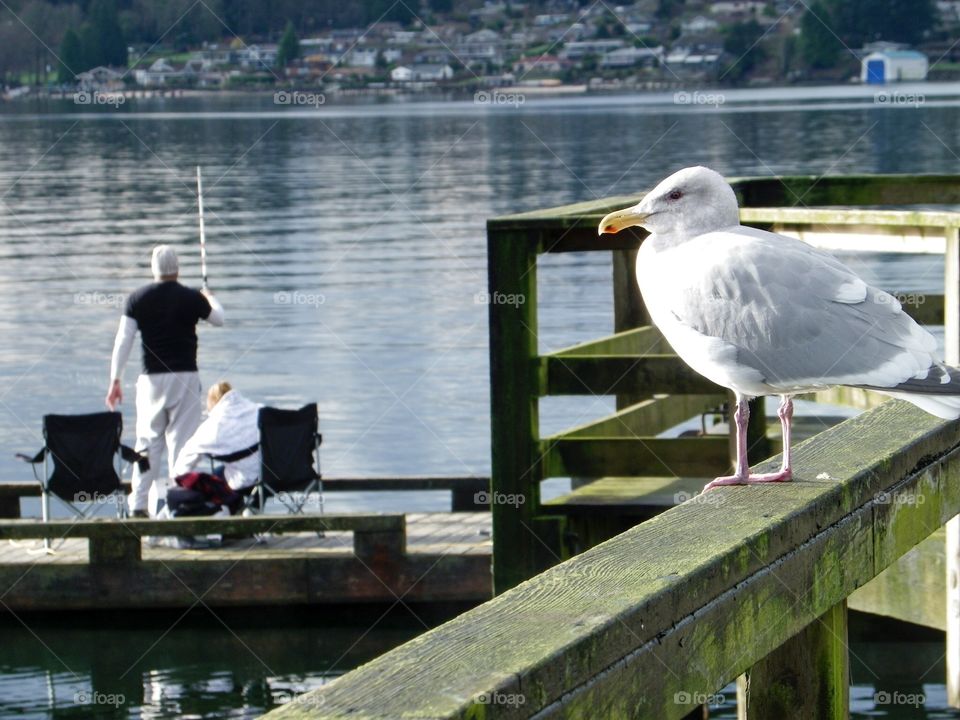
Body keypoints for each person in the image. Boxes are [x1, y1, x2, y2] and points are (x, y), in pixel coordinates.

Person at [106, 245, 224, 517]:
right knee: (183, 445)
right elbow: (219, 320)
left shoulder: (137, 298)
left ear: (153, 269)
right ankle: (178, 502)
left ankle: (138, 505)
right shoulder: (191, 297)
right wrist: (210, 298)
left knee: (147, 445)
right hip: (185, 378)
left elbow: (123, 341)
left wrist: (115, 380)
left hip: (150, 382)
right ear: (177, 268)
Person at [173, 381, 261, 492]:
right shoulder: (260, 411)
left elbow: (186, 457)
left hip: (244, 481)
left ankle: (234, 507)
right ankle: (251, 506)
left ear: (211, 402)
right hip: (275, 477)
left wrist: (177, 484)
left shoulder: (213, 426)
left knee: (214, 478)